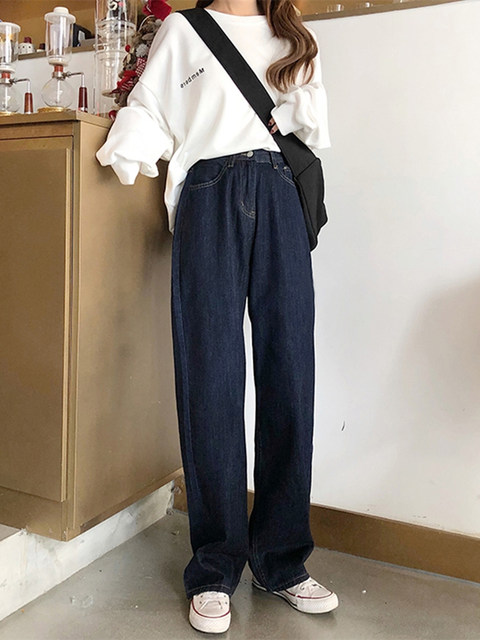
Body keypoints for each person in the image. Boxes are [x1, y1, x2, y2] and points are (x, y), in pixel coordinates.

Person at [96, 0, 339, 633]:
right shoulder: (183, 29)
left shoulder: (293, 36)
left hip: (282, 196)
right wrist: (129, 150)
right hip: (208, 195)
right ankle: (215, 564)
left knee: (291, 374)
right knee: (210, 377)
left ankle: (282, 560)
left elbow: (313, 126)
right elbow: (150, 108)